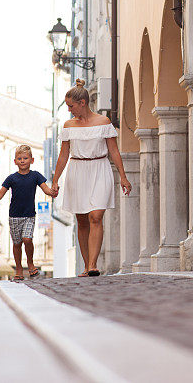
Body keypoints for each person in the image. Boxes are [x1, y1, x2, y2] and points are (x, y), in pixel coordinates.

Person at [51, 79, 132, 277]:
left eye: (71, 106)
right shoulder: (69, 125)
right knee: (82, 220)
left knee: (96, 216)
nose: (69, 110)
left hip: (100, 168)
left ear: (82, 103)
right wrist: (55, 180)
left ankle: (94, 264)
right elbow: (63, 154)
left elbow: (114, 150)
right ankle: (87, 266)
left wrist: (123, 176)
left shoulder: (103, 122)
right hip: (77, 170)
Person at [0, 145, 55, 281]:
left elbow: (46, 190)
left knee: (27, 239)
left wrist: (53, 191)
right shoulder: (11, 178)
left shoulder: (36, 176)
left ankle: (30, 264)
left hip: (29, 215)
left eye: (25, 158)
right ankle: (18, 268)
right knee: (17, 244)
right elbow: (1, 193)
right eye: (19, 158)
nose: (23, 160)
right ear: (15, 161)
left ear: (32, 160)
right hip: (14, 216)